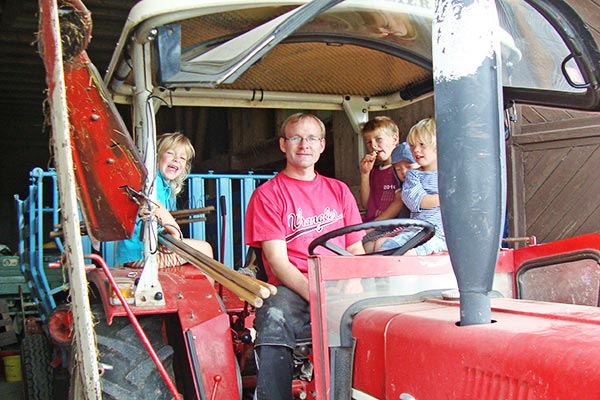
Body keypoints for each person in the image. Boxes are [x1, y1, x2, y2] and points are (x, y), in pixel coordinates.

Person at [244, 113, 365, 399]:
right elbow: (277, 262)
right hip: (294, 286)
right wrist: (316, 295)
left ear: (322, 145)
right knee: (274, 315)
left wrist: (355, 279)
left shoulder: (339, 190)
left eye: (311, 138)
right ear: (283, 145)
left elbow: (355, 248)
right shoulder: (268, 195)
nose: (304, 145)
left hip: (339, 282)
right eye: (296, 138)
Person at [116, 132, 213, 268]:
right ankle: (208, 291)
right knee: (205, 250)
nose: (176, 160)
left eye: (182, 158)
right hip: (141, 255)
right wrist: (175, 230)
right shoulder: (153, 180)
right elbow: (155, 204)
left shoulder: (163, 186)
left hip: (138, 253)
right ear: (157, 156)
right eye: (170, 153)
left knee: (194, 251)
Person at [373, 118, 447, 256]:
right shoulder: (414, 176)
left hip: (442, 235)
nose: (416, 150)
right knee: (384, 248)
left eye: (422, 144)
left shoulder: (451, 176)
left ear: (438, 145)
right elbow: (417, 202)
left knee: (409, 254)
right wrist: (447, 198)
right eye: (412, 146)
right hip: (417, 231)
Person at [359, 116, 402, 222]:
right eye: (369, 142)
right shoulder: (374, 172)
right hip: (370, 224)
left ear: (394, 139)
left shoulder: (401, 170)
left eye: (378, 139)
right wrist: (365, 173)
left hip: (390, 227)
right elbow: (366, 204)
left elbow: (399, 202)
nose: (373, 145)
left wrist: (374, 225)